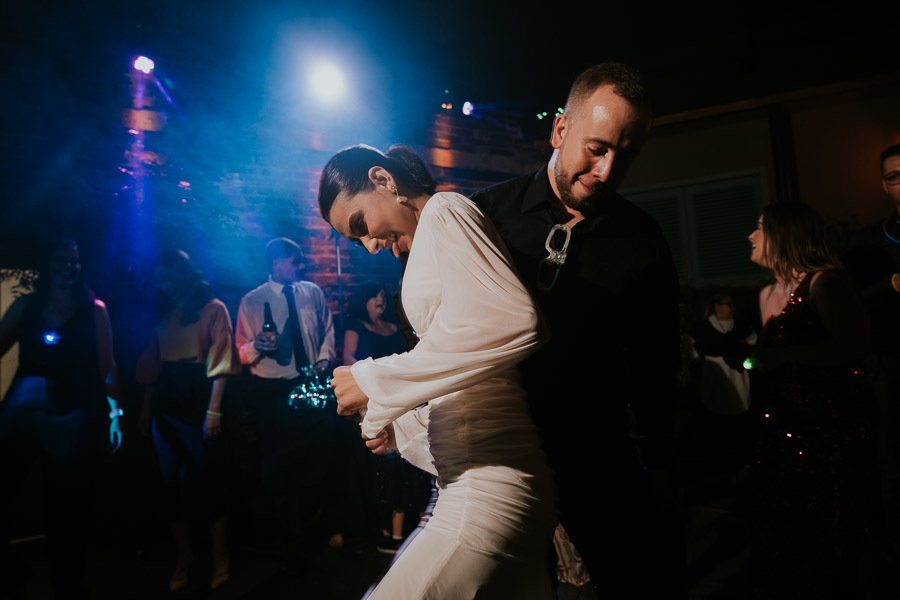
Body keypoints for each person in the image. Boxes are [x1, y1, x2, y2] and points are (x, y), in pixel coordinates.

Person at [469, 62, 684, 596]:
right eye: (598, 147)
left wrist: (661, 462)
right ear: (560, 129)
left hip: (599, 458)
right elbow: (428, 324)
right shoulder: (485, 216)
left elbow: (657, 361)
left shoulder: (641, 238)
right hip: (500, 458)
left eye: (626, 156)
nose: (608, 170)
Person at [319, 144, 557, 599]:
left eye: (360, 225)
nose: (369, 246)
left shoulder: (445, 210)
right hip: (473, 477)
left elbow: (512, 322)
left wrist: (372, 380)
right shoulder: (430, 232)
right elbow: (472, 380)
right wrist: (404, 426)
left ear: (384, 180)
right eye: (356, 241)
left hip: (487, 490)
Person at [746, 202, 876, 598]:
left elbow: (855, 347)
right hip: (778, 426)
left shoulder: (825, 283)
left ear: (786, 235)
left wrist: (784, 357)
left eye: (760, 227)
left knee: (831, 530)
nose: (751, 235)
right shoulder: (766, 293)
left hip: (825, 428)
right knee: (786, 530)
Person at [0, 237, 123, 599]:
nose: (68, 267)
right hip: (25, 408)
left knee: (67, 501)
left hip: (73, 412)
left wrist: (116, 411)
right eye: (61, 261)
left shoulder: (94, 309)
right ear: (48, 265)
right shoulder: (27, 305)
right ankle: (13, 572)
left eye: (74, 261)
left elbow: (107, 364)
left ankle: (68, 583)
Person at [136, 249, 240, 592]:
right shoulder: (163, 310)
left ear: (181, 274)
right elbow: (153, 364)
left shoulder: (213, 308)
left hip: (198, 395)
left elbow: (221, 362)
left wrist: (214, 410)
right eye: (158, 278)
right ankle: (184, 558)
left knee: (207, 481)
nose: (161, 283)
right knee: (171, 486)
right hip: (167, 397)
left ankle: (219, 555)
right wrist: (147, 408)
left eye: (166, 276)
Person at [233, 237, 339, 549]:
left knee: (316, 459)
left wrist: (323, 359)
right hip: (273, 392)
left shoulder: (312, 292)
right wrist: (256, 347)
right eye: (295, 261)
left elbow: (328, 330)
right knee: (281, 465)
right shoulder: (253, 300)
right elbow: (238, 350)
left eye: (300, 260)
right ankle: (287, 538)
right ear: (275, 263)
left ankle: (315, 526)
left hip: (310, 384)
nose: (301, 265)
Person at [843, 142, 900, 596]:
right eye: (894, 175)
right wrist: (890, 285)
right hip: (887, 368)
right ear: (884, 185)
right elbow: (847, 307)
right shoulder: (867, 240)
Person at [343, 280, 432, 554]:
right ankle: (388, 530)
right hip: (373, 405)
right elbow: (349, 365)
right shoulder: (356, 328)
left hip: (404, 402)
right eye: (375, 296)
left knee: (410, 466)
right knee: (387, 468)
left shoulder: (395, 327)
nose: (381, 299)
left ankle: (417, 527)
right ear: (364, 300)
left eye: (383, 295)